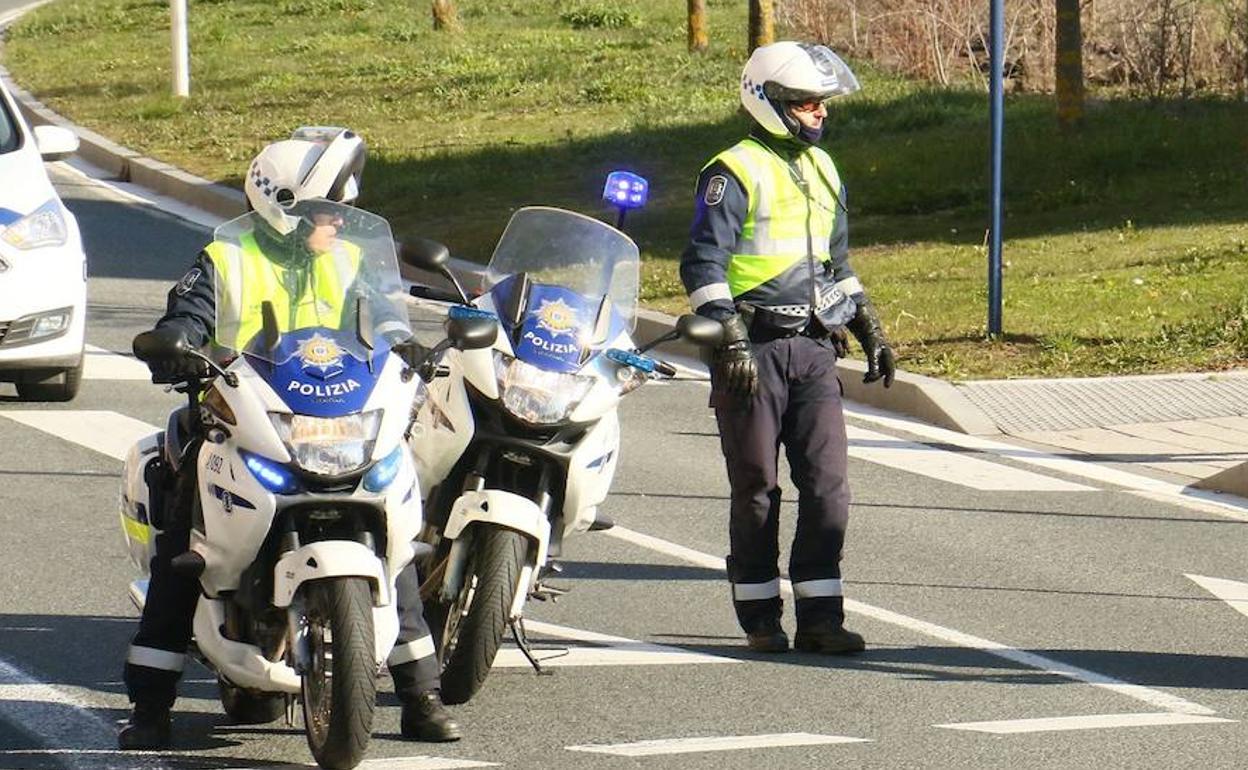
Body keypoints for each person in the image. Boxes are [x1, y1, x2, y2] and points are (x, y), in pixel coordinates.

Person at [118, 127, 459, 749]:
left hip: (337, 416)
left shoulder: (347, 261)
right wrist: (178, 348)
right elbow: (186, 317)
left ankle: (420, 697)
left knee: (397, 539)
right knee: (181, 536)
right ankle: (149, 704)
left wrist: (407, 344)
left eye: (342, 210)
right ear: (282, 205)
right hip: (238, 415)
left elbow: (382, 318)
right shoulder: (227, 259)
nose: (338, 222)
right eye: (328, 211)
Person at [680, 42, 896, 655]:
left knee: (828, 486)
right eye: (806, 103)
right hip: (753, 352)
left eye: (823, 104)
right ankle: (759, 616)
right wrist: (730, 337)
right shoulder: (734, 169)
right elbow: (702, 263)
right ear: (768, 101)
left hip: (812, 350)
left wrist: (868, 324)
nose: (819, 114)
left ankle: (822, 618)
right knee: (756, 489)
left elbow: (838, 263)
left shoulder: (824, 168)